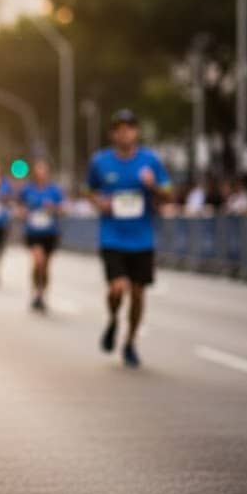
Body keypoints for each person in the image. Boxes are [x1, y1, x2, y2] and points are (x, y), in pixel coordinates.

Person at [85, 109, 171, 368]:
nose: (125, 132)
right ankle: (113, 319)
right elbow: (88, 189)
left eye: (130, 127)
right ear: (113, 133)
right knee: (117, 288)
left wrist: (152, 186)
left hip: (143, 238)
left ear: (136, 132)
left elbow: (168, 193)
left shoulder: (150, 161)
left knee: (137, 293)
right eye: (120, 128)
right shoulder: (100, 161)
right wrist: (100, 203)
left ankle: (130, 341)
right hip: (112, 237)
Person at [17, 158, 63, 312]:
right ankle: (36, 291)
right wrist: (22, 212)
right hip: (33, 232)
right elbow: (18, 206)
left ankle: (42, 294)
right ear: (35, 174)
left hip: (50, 233)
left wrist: (54, 208)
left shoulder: (54, 190)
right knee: (38, 261)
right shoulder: (27, 189)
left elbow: (64, 209)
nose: (41, 174)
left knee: (45, 266)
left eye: (44, 171)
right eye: (38, 171)